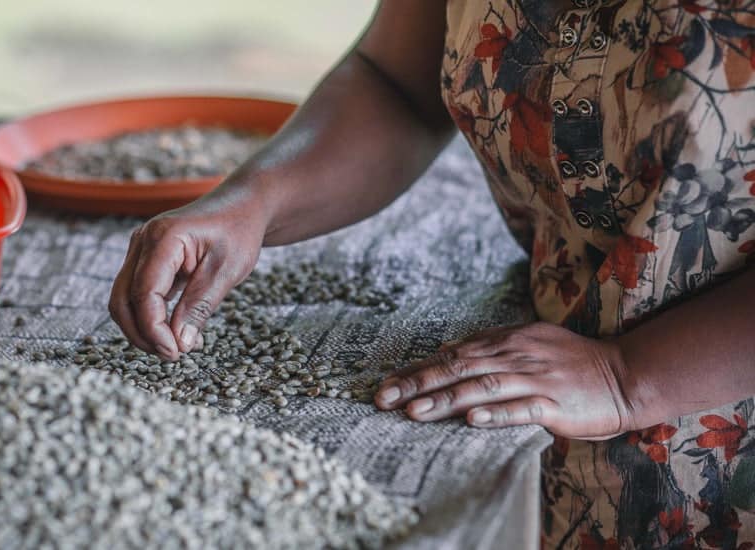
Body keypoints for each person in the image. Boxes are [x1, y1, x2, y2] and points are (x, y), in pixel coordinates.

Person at [108, 1, 755, 547]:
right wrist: (254, 203)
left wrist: (629, 375)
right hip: (542, 368)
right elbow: (394, 82)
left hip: (719, 429)